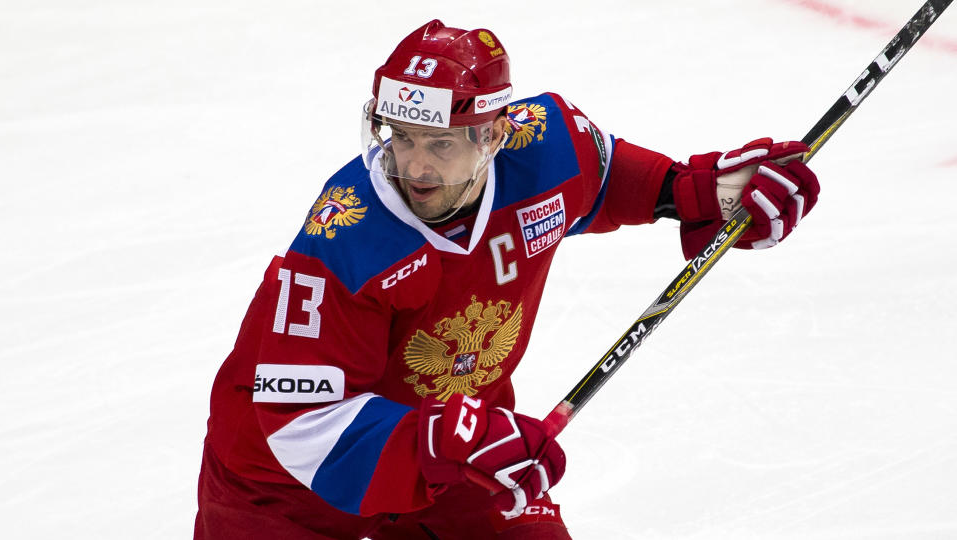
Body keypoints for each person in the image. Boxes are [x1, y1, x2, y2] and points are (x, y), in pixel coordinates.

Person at [194, 19, 820, 540]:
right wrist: (444, 436)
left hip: (460, 450)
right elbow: (301, 426)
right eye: (402, 138)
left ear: (493, 134)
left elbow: (613, 182)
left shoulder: (546, 144)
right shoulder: (347, 236)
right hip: (280, 489)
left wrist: (700, 194)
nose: (413, 166)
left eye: (439, 144)